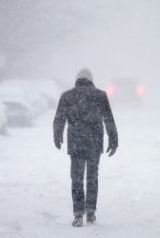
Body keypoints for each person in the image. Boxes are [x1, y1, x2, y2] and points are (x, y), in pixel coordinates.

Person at [53, 68, 118, 227]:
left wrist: (57, 135)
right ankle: (90, 211)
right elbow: (108, 119)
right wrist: (113, 139)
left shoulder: (67, 96)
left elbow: (59, 119)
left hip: (75, 143)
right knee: (92, 177)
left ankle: (78, 214)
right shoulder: (100, 96)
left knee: (76, 178)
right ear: (91, 80)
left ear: (77, 80)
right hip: (94, 143)